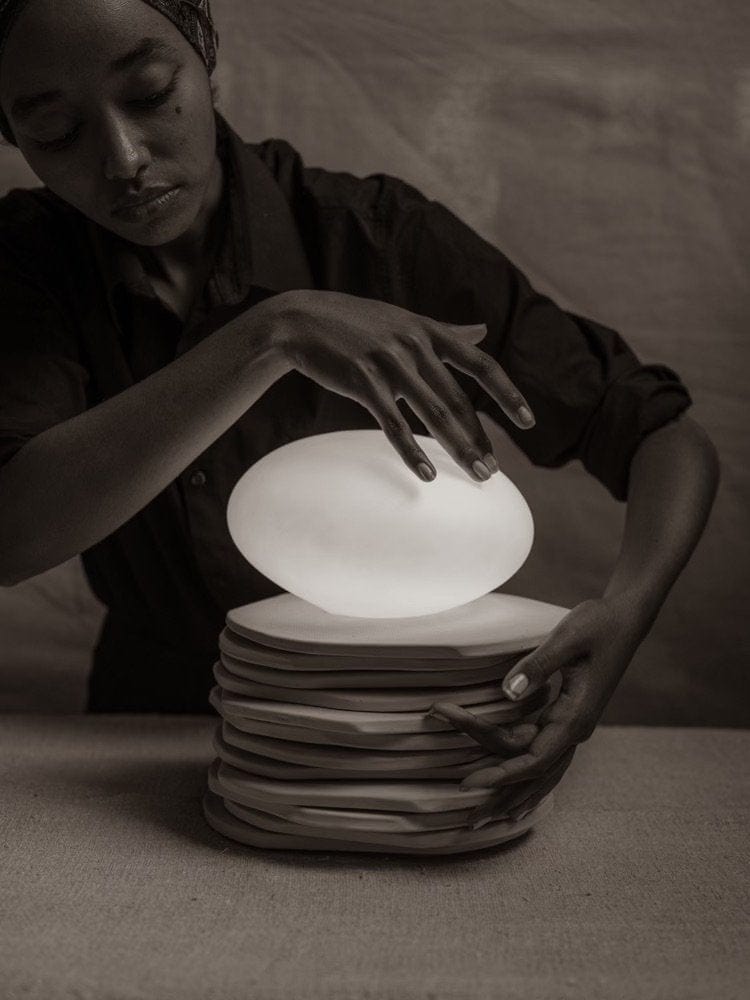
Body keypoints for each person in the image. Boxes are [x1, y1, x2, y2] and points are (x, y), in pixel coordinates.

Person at [0, 0, 719, 825]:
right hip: (136, 731)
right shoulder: (28, 272)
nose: (122, 157)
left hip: (401, 722)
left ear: (206, 60)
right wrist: (272, 334)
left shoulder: (376, 239)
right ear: (14, 138)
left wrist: (625, 612)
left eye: (152, 91)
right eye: (55, 132)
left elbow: (662, 434)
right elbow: (11, 534)